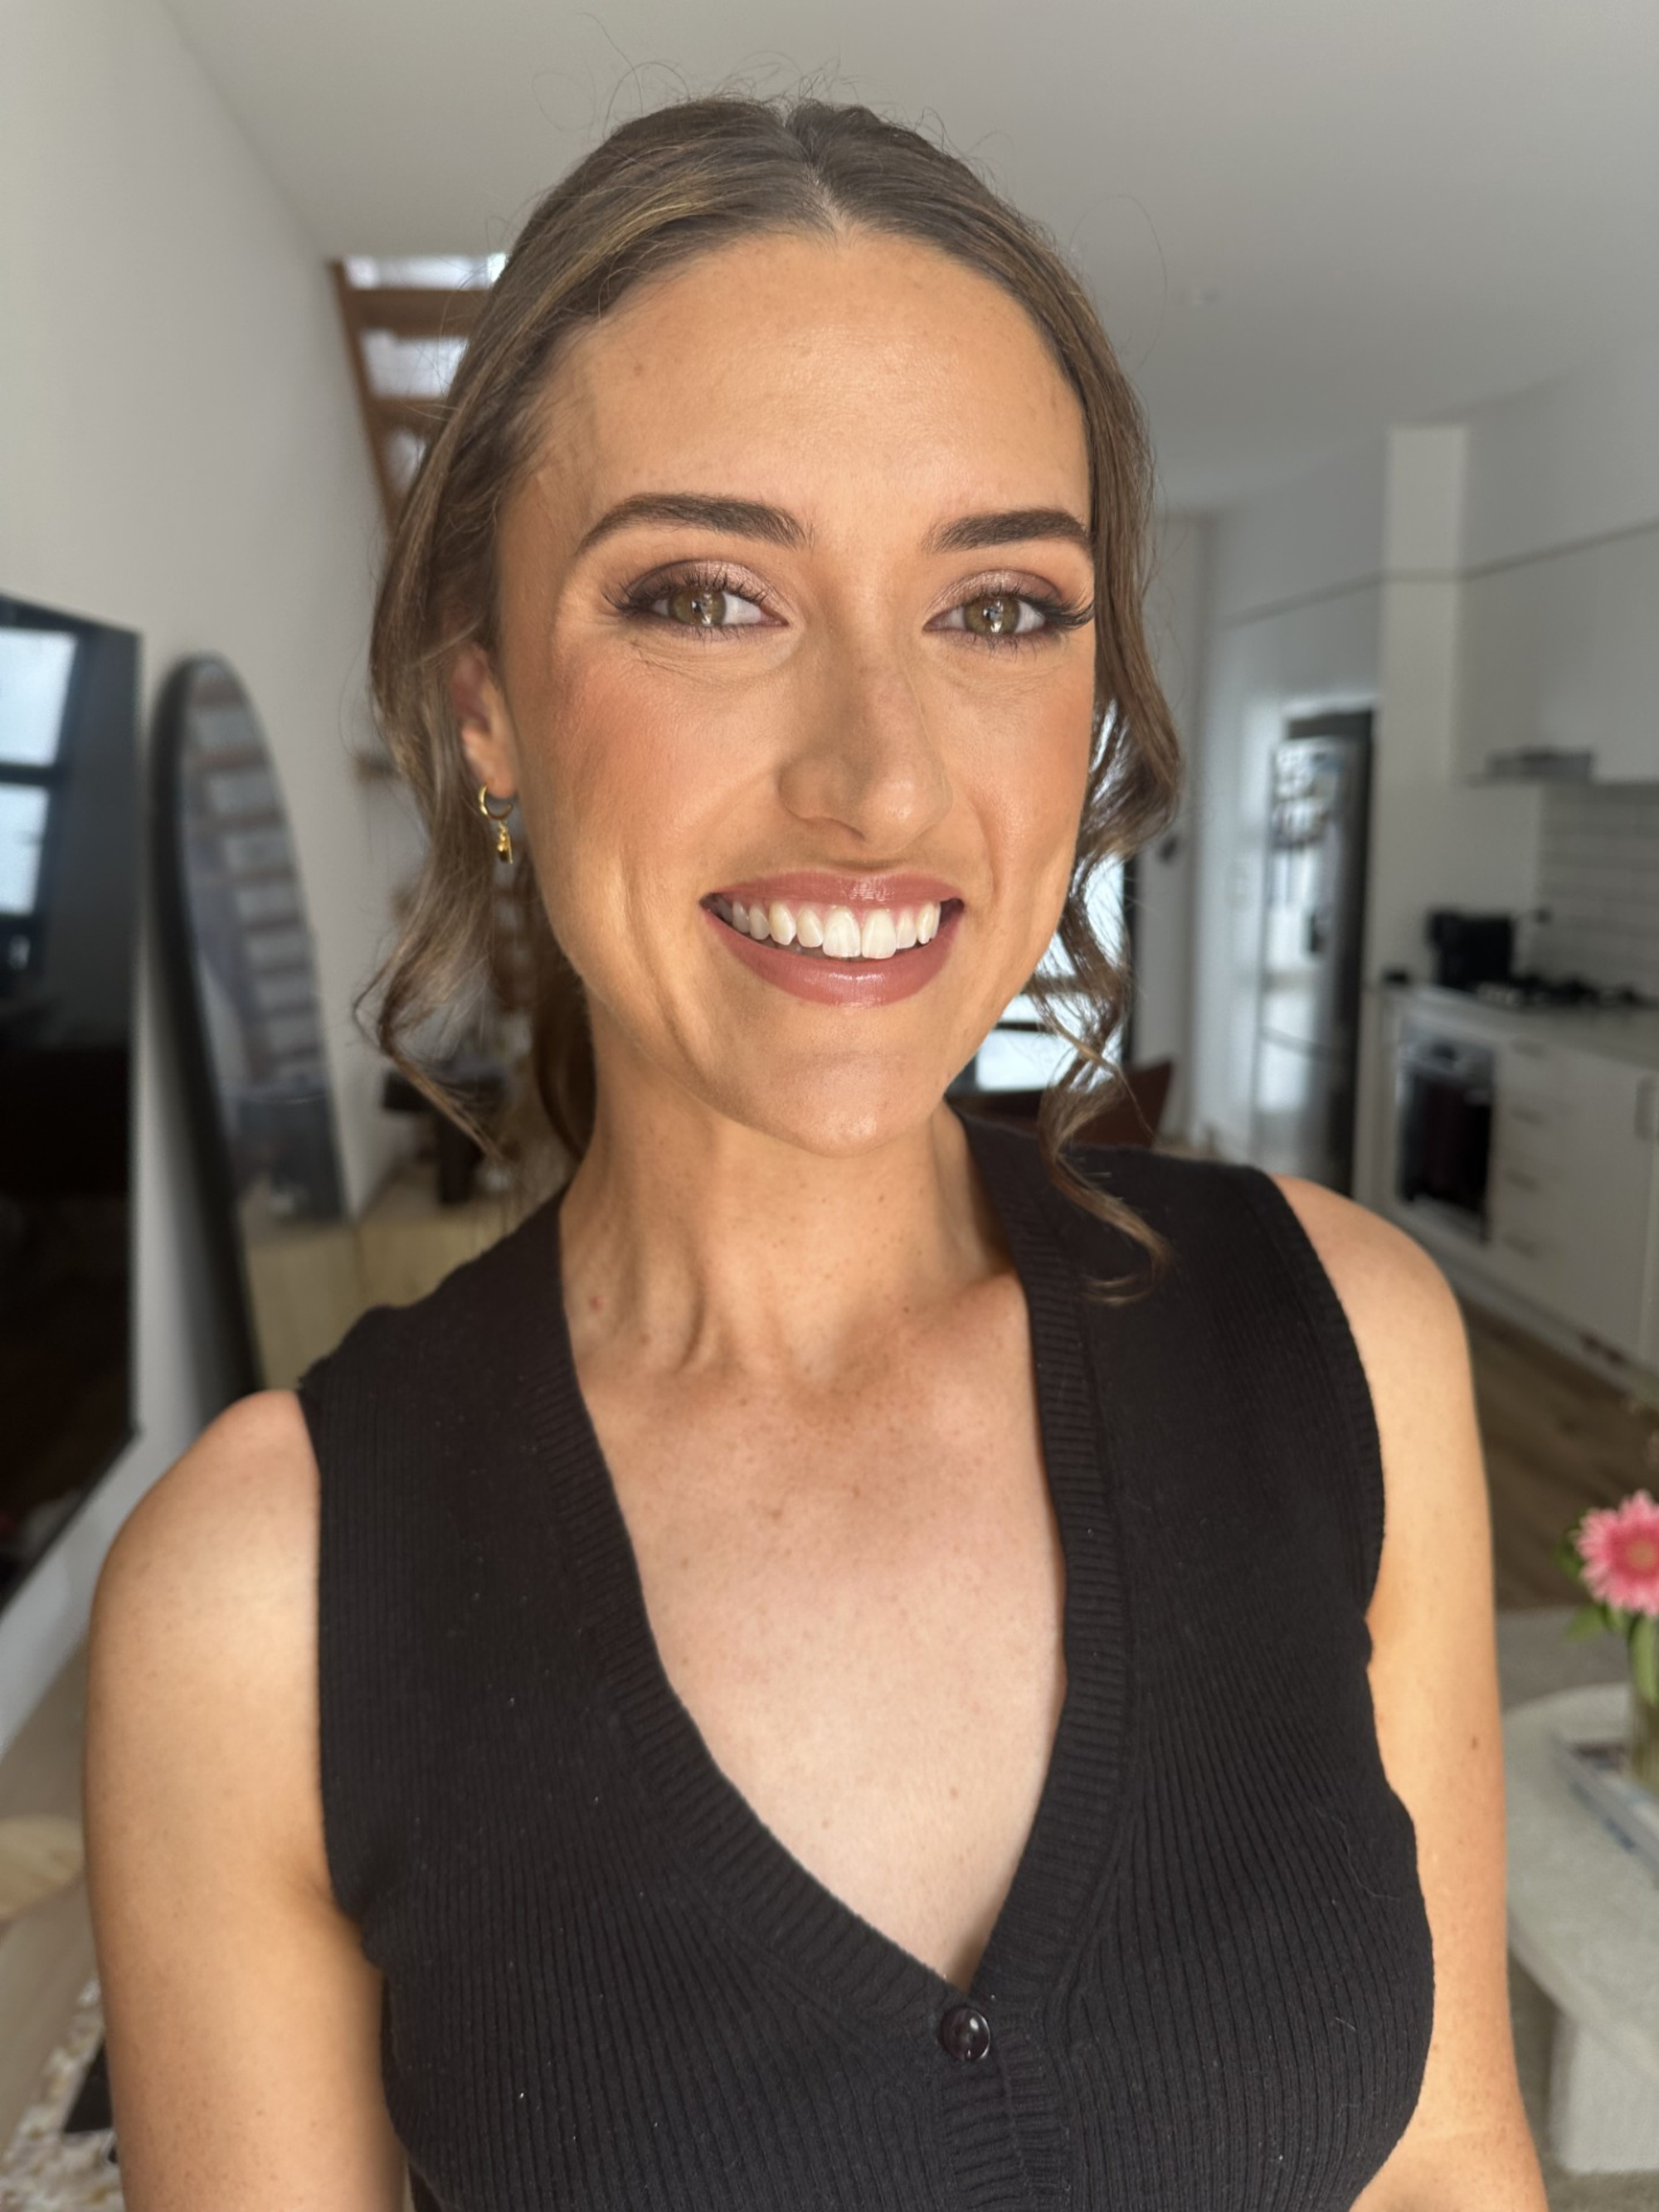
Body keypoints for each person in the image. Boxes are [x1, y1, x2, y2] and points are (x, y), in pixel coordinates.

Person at [84, 95, 1546, 2212]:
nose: (874, 777)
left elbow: (1441, 2157)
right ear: (484, 706)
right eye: (704, 592)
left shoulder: (1339, 1334)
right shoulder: (267, 1596)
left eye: (1001, 608)